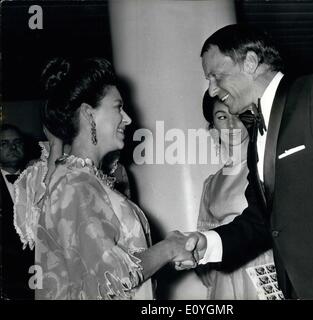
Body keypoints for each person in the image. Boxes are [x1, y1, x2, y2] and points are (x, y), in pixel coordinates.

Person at [179, 24, 313, 299]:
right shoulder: (257, 134)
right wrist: (207, 243)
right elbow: (261, 221)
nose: (211, 90)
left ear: (249, 62)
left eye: (215, 75)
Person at [14, 57, 193, 300]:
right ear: (89, 114)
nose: (128, 119)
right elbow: (113, 276)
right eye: (119, 107)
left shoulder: (83, 179)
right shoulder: (74, 183)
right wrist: (170, 247)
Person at [196, 91, 274, 299]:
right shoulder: (211, 183)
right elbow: (204, 230)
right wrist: (202, 263)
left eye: (236, 114)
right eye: (222, 117)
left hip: (264, 270)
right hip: (225, 278)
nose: (231, 124)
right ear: (212, 126)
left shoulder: (265, 169)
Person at [0, 124, 34, 300]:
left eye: (17, 142)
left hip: (36, 277)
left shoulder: (38, 180)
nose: (12, 147)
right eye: (4, 143)